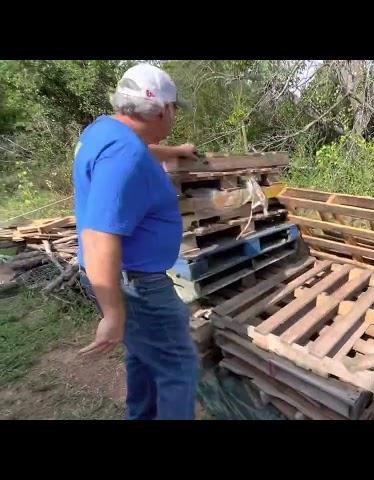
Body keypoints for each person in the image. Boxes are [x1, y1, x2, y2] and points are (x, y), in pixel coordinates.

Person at [74, 63, 200, 420]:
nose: (174, 115)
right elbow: (99, 235)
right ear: (162, 110)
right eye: (174, 109)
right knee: (178, 367)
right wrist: (113, 313)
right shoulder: (124, 156)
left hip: (127, 280)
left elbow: (138, 148)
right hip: (136, 285)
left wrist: (176, 150)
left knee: (144, 356)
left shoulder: (104, 131)